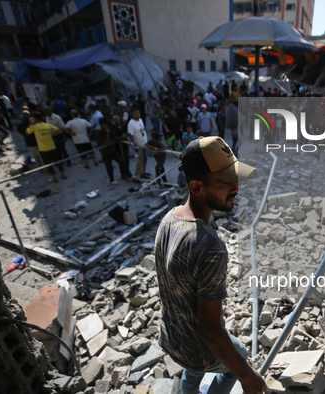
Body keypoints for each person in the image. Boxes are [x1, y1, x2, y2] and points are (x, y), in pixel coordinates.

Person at [153, 136, 265, 394]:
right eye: (226, 183)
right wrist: (248, 378)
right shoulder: (209, 246)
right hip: (196, 349)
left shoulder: (169, 219)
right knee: (240, 355)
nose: (236, 189)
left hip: (172, 336)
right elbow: (209, 331)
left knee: (195, 370)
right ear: (197, 187)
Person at [26, 112, 67, 183]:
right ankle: (62, 174)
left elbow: (27, 132)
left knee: (48, 164)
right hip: (52, 146)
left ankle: (55, 178)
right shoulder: (47, 125)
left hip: (43, 149)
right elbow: (57, 130)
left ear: (35, 119)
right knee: (57, 161)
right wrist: (52, 135)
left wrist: (30, 123)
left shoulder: (34, 127)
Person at [96, 118, 132, 184]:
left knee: (122, 162)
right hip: (105, 153)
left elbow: (115, 138)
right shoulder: (99, 134)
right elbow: (106, 143)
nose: (105, 127)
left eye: (106, 125)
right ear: (101, 125)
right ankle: (111, 179)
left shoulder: (110, 130)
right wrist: (107, 134)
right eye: (104, 125)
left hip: (113, 150)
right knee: (109, 166)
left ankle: (129, 175)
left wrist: (113, 141)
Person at [127, 109, 150, 179]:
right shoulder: (131, 123)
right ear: (133, 114)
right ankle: (141, 173)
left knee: (144, 159)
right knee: (143, 159)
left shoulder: (140, 120)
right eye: (136, 113)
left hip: (144, 143)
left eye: (138, 113)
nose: (138, 114)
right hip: (139, 145)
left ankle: (143, 171)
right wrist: (134, 141)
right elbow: (130, 134)